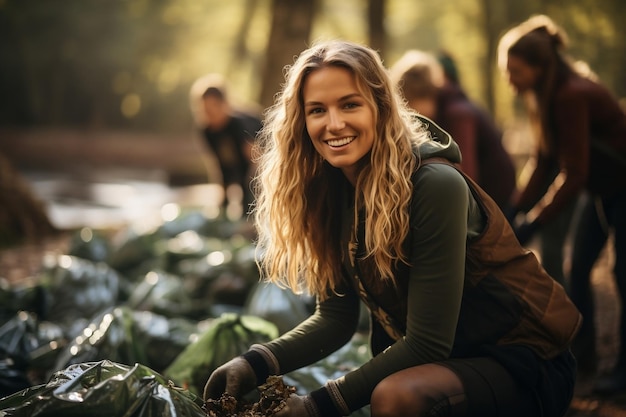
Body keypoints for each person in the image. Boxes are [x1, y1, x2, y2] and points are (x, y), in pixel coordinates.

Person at [203, 39, 581, 416]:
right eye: (317, 110)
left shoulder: (434, 185)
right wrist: (253, 364)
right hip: (450, 363)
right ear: (302, 121)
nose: (334, 124)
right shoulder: (332, 193)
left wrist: (318, 406)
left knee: (394, 397)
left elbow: (428, 344)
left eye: (350, 104)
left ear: (380, 107)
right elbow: (336, 317)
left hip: (522, 360)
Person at [497, 15, 626, 393]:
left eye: (515, 71)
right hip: (603, 191)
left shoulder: (571, 95)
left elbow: (575, 172)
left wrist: (534, 221)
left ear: (538, 68)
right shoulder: (548, 96)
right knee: (578, 266)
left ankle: (621, 372)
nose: (509, 79)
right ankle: (582, 357)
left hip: (621, 188)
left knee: (622, 275)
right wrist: (513, 207)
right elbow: (543, 160)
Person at [389, 49, 517, 211]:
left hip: (494, 198)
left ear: (425, 93)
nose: (411, 114)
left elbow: (466, 172)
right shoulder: (446, 109)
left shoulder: (458, 114)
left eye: (410, 103)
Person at [189, 73, 262, 216]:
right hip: (237, 164)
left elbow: (256, 162)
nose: (210, 114)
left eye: (213, 108)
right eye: (205, 110)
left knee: (248, 199)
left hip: (253, 163)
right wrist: (223, 199)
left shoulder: (239, 125)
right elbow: (220, 163)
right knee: (223, 205)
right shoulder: (206, 130)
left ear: (224, 104)